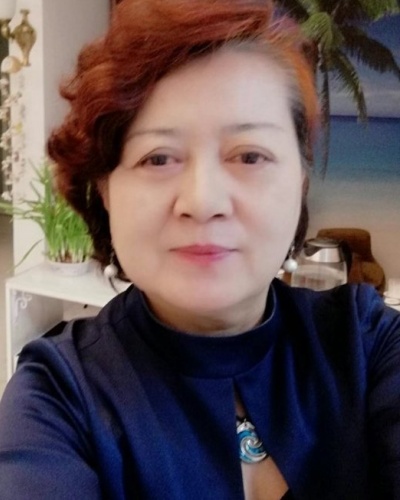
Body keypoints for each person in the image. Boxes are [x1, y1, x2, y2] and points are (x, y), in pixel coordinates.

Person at [0, 0, 399, 498]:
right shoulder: (58, 398)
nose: (203, 201)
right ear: (105, 190)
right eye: (158, 158)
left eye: (249, 155)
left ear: (300, 180)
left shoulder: (369, 344)